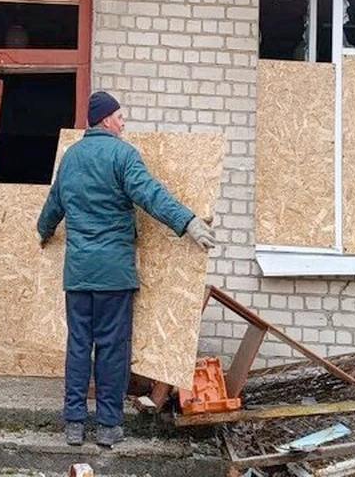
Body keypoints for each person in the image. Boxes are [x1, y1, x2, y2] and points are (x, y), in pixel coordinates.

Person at [37, 91, 216, 448]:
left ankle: (74, 423)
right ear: (105, 119)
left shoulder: (70, 158)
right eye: (120, 117)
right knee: (112, 349)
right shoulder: (123, 155)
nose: (123, 122)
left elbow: (53, 205)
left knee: (77, 347)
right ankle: (108, 427)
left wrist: (44, 232)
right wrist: (189, 222)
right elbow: (151, 194)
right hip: (113, 276)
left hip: (78, 275)